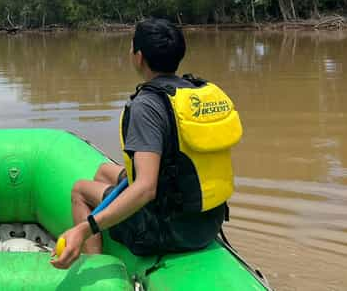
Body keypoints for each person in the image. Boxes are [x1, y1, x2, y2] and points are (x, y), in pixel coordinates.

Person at [52, 18, 242, 269]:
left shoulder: (147, 105)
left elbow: (146, 189)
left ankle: (92, 266)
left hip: (170, 230)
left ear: (139, 57)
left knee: (79, 190)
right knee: (103, 172)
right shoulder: (192, 92)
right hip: (209, 221)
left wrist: (85, 228)